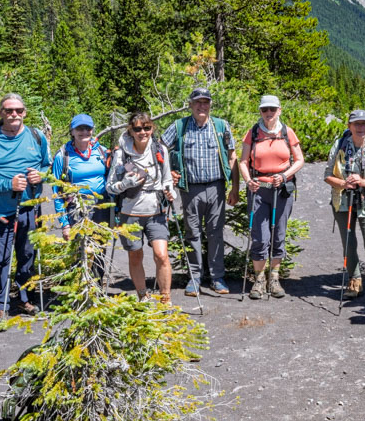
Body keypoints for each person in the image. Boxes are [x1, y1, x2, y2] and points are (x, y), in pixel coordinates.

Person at [0, 94, 51, 326]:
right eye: (9, 111)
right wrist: (8, 184)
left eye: (18, 110)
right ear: (1, 113)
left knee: (27, 256)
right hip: (1, 212)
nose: (14, 114)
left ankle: (24, 298)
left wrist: (42, 176)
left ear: (25, 112)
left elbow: (47, 165)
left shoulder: (37, 136)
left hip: (30, 208)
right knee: (1, 258)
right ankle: (0, 305)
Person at [162, 87, 239, 295]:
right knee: (192, 234)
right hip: (190, 189)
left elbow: (233, 157)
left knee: (215, 232)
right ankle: (194, 278)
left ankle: (217, 278)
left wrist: (235, 187)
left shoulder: (221, 126)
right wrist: (168, 171)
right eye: (198, 102)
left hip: (217, 187)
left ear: (210, 105)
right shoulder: (180, 126)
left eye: (205, 102)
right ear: (191, 105)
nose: (201, 106)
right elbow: (159, 149)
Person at [237, 95, 305, 299]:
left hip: (281, 189)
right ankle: (259, 280)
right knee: (259, 236)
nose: (268, 113)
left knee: (279, 234)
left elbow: (299, 160)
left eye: (272, 110)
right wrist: (248, 180)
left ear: (279, 110)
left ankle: (273, 279)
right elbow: (242, 161)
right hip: (258, 189)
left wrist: (284, 176)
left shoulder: (287, 132)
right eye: (265, 109)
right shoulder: (253, 132)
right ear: (260, 111)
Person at [107, 112, 177, 303]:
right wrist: (125, 184)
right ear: (130, 130)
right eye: (137, 128)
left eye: (146, 128)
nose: (142, 132)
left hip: (156, 212)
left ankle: (165, 299)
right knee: (135, 256)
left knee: (161, 255)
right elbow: (110, 186)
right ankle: (142, 296)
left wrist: (170, 191)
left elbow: (167, 180)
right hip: (130, 213)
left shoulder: (160, 149)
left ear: (152, 129)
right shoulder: (122, 153)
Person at [324, 109, 365, 305]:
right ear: (349, 126)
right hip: (343, 201)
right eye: (356, 124)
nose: (360, 127)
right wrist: (344, 184)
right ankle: (354, 280)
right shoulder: (340, 146)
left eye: (364, 124)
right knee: (349, 243)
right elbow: (327, 175)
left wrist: (361, 181)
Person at [51, 113, 110, 279]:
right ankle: (79, 290)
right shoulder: (63, 155)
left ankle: (96, 289)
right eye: (80, 128)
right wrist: (64, 223)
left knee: (99, 248)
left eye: (88, 128)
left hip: (101, 205)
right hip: (75, 206)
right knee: (81, 249)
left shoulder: (102, 151)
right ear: (72, 131)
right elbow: (57, 191)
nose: (84, 132)